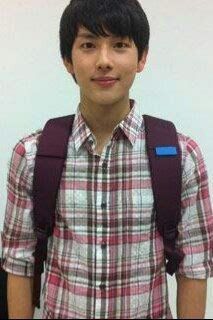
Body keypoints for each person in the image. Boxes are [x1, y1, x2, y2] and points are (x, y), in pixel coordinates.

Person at [1, 0, 213, 319]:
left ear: (141, 57)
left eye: (119, 45)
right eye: (88, 45)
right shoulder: (32, 155)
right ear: (67, 59)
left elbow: (194, 267)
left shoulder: (182, 156)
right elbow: (19, 261)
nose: (104, 61)